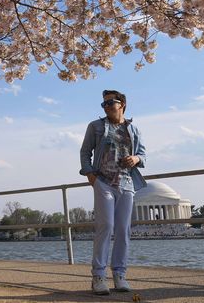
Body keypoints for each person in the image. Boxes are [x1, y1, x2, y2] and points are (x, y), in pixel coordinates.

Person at [79, 90, 147, 295]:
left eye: (110, 102)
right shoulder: (96, 126)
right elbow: (84, 152)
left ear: (122, 104)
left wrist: (136, 159)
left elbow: (142, 154)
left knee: (123, 230)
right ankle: (98, 276)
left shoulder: (133, 129)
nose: (107, 106)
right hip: (104, 181)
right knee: (106, 226)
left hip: (126, 183)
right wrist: (90, 175)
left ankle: (120, 274)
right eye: (104, 104)